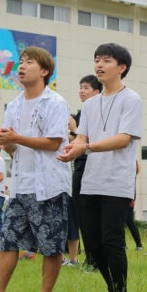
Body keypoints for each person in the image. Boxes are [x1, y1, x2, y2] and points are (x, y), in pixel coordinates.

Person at [0, 47, 72, 292]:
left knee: (50, 243)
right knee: (8, 238)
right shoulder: (14, 105)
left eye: (29, 62)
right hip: (21, 184)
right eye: (21, 62)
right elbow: (13, 150)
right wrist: (7, 142)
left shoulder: (55, 102)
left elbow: (54, 142)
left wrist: (16, 139)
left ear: (44, 71)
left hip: (50, 184)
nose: (21, 66)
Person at [59, 43, 143, 292]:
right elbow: (82, 137)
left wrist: (86, 147)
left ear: (122, 67)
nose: (99, 64)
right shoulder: (91, 104)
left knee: (112, 241)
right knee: (94, 245)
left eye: (106, 60)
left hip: (117, 182)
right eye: (97, 59)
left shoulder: (132, 99)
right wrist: (74, 149)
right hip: (90, 181)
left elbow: (124, 139)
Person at [67, 74, 102, 270]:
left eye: (86, 88)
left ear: (96, 92)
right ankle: (90, 258)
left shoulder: (99, 114)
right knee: (81, 214)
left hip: (94, 166)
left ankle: (95, 259)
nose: (81, 91)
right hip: (80, 167)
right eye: (80, 87)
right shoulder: (81, 114)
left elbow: (90, 142)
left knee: (91, 215)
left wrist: (74, 131)